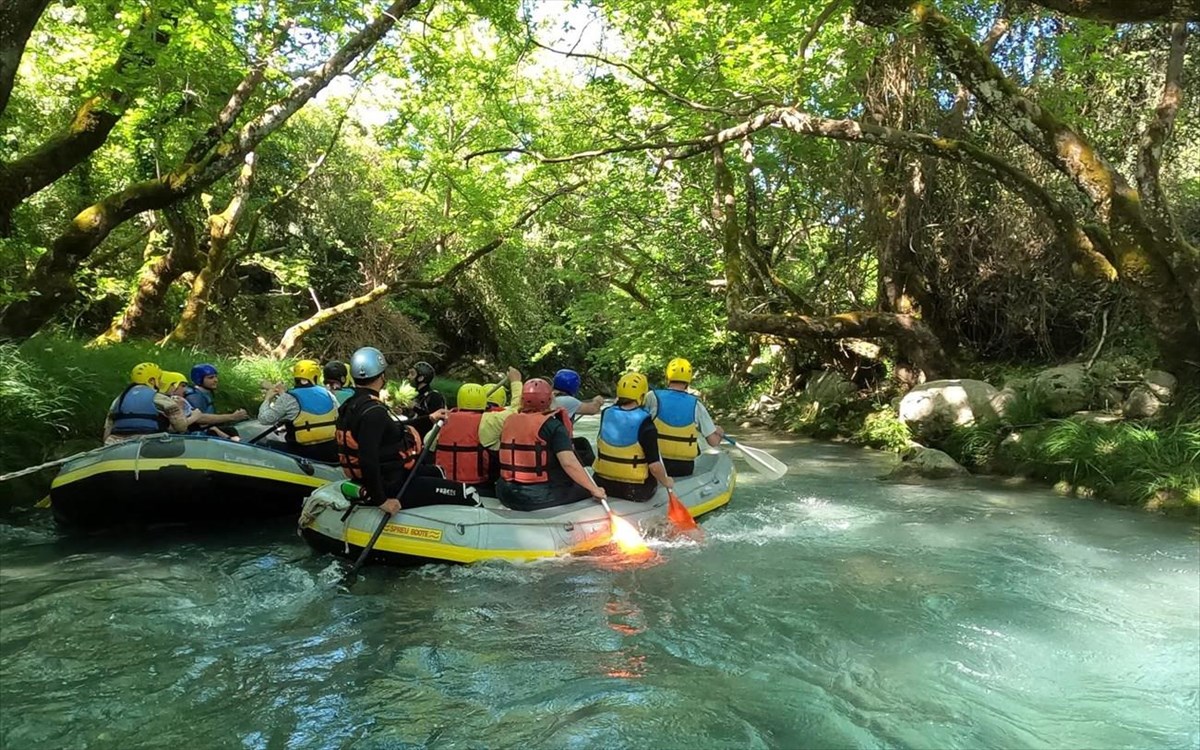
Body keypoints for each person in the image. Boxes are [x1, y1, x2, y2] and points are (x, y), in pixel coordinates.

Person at [336, 347, 473, 514]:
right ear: (382, 376)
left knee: (438, 471)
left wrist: (429, 418)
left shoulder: (352, 405)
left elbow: (393, 429)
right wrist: (382, 501)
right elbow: (368, 460)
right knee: (468, 493)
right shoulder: (374, 412)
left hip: (391, 475)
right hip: (391, 485)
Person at [495, 378, 606, 511]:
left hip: (505, 493)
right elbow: (568, 463)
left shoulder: (509, 421)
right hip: (535, 496)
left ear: (522, 400)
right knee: (584, 487)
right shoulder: (553, 425)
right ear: (549, 400)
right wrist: (594, 489)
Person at [592, 372, 675, 501]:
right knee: (655, 478)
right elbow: (654, 466)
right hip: (635, 490)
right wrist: (666, 481)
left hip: (602, 484)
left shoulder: (605, 414)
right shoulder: (646, 423)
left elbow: (617, 406)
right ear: (642, 396)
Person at [643, 357, 725, 477]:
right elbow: (713, 442)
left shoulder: (651, 397)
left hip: (655, 463)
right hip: (684, 468)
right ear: (688, 381)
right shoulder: (697, 405)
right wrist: (720, 433)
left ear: (668, 377)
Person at [257, 359, 339, 461]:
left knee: (261, 445)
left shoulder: (289, 397)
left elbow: (264, 419)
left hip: (301, 452)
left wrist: (267, 399)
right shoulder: (329, 394)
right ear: (315, 376)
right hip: (330, 451)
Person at [429, 383, 494, 493]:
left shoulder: (444, 419)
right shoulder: (486, 420)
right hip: (476, 483)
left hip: (445, 481)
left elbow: (428, 444)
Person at [102, 362, 189, 445]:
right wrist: (180, 407)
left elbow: (107, 431)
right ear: (152, 381)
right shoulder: (159, 398)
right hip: (149, 443)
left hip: (118, 444)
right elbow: (181, 427)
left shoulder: (119, 399)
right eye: (158, 379)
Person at [184, 363, 247, 432]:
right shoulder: (194, 396)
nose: (216, 380)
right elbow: (200, 418)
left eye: (216, 377)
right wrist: (232, 417)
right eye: (211, 377)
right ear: (199, 379)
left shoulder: (206, 392)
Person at [404, 360, 446, 435]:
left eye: (412, 374)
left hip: (425, 440)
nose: (408, 377)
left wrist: (415, 408)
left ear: (421, 378)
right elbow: (413, 418)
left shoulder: (434, 396)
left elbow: (433, 419)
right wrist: (402, 412)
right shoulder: (416, 396)